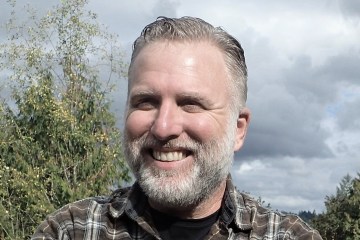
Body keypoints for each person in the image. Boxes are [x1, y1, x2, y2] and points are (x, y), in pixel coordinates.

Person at [32, 16, 322, 240]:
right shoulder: (72, 230)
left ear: (239, 129)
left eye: (191, 103)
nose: (163, 127)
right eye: (146, 102)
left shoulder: (287, 235)